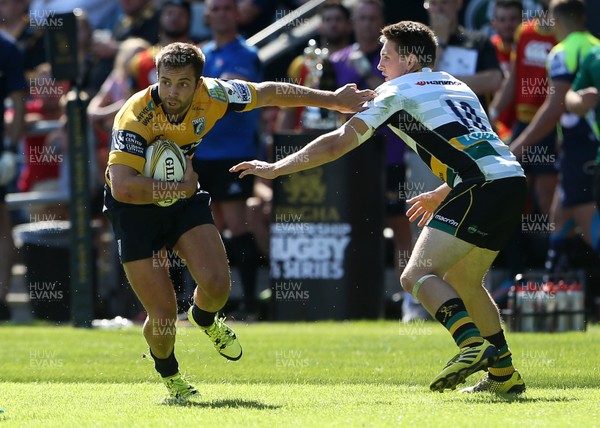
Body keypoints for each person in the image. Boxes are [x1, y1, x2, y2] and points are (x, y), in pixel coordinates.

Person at [231, 20, 527, 394]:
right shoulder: (457, 83)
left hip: (479, 185)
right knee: (465, 280)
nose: (379, 65)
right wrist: (442, 191)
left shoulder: (394, 91)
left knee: (415, 276)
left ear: (409, 58)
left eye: (386, 56)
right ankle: (504, 375)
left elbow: (338, 142)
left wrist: (277, 167)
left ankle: (472, 346)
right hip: (510, 180)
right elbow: (473, 145)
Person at [104, 41, 374, 400]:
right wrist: (180, 188)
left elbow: (269, 93)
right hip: (135, 210)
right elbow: (123, 187)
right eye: (166, 81)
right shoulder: (135, 115)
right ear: (156, 77)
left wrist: (332, 100)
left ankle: (203, 318)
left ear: (199, 83)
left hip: (182, 197)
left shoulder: (215, 93)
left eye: (183, 83)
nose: (172, 92)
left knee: (218, 285)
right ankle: (170, 375)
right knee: (164, 313)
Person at [510, 0, 600, 273]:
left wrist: (516, 148)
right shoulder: (595, 45)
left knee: (583, 217)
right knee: (559, 218)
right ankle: (556, 290)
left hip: (582, 147)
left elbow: (554, 107)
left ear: (555, 21)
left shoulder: (562, 51)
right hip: (581, 146)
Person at [192, 0, 263, 318]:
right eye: (215, 9)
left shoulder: (246, 53)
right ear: (207, 16)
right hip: (200, 153)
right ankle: (214, 303)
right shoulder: (201, 54)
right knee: (207, 230)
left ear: (236, 14)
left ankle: (249, 303)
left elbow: (227, 94)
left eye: (226, 8)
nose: (220, 14)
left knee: (237, 225)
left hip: (233, 152)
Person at [425, 0, 503, 111]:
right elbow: (422, 81)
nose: (439, 9)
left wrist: (441, 84)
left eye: (444, 3)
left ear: (458, 3)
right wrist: (440, 42)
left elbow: (494, 80)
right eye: (433, 3)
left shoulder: (478, 40)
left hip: (472, 119)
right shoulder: (419, 43)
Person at [0, 32, 26, 321]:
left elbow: (18, 102)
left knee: (0, 218)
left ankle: (1, 298)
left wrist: (9, 148)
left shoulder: (6, 48)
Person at [489, 0, 521, 141]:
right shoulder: (488, 49)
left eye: (513, 19)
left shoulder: (531, 50)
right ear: (494, 23)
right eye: (502, 20)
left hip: (527, 126)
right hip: (494, 130)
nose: (508, 25)